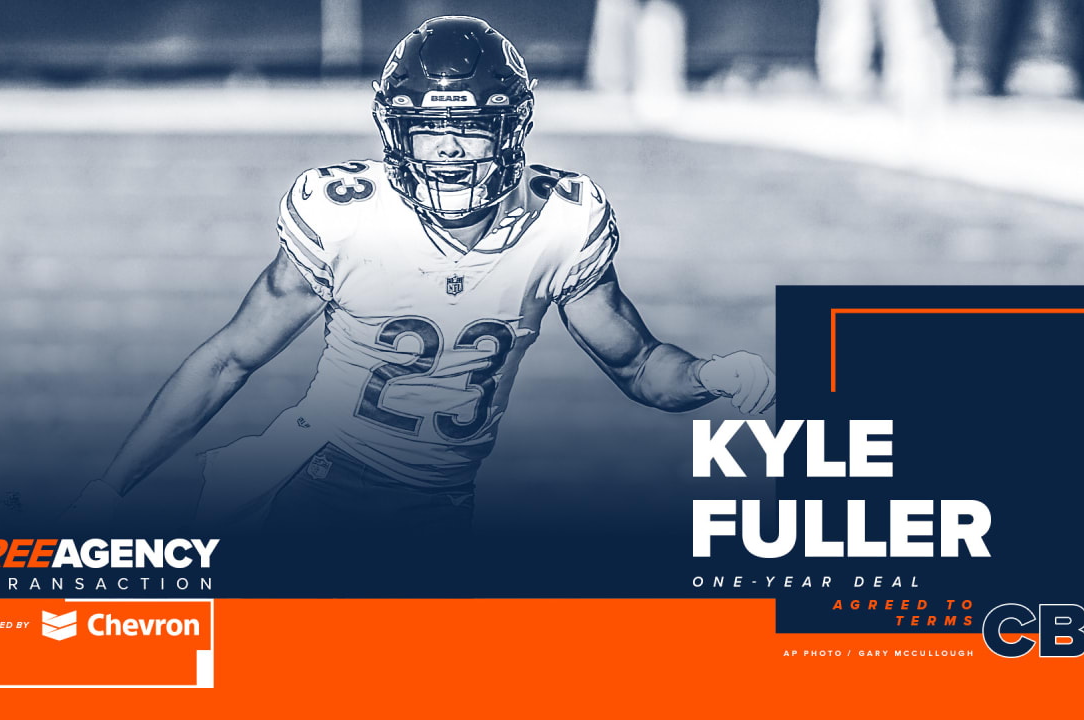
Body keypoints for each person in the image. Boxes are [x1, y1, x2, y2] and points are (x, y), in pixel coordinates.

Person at [65, 16, 775, 535]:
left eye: (467, 130)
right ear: (396, 134)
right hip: (316, 475)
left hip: (435, 505)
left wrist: (709, 375)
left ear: (509, 132)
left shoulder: (560, 220)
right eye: (429, 132)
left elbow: (640, 363)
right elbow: (229, 358)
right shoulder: (347, 214)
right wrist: (110, 485)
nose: (447, 152)